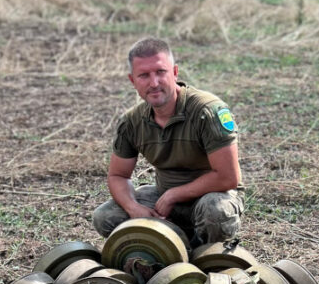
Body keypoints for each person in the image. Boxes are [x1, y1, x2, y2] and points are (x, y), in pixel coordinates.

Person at [92, 37, 244, 247]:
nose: (154, 83)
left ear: (174, 72)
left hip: (211, 196)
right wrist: (134, 209)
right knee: (106, 216)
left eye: (160, 72)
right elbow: (118, 175)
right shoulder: (132, 122)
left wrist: (174, 194)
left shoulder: (207, 111)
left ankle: (203, 255)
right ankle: (171, 247)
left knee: (215, 212)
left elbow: (228, 178)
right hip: (165, 201)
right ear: (132, 80)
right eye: (144, 75)